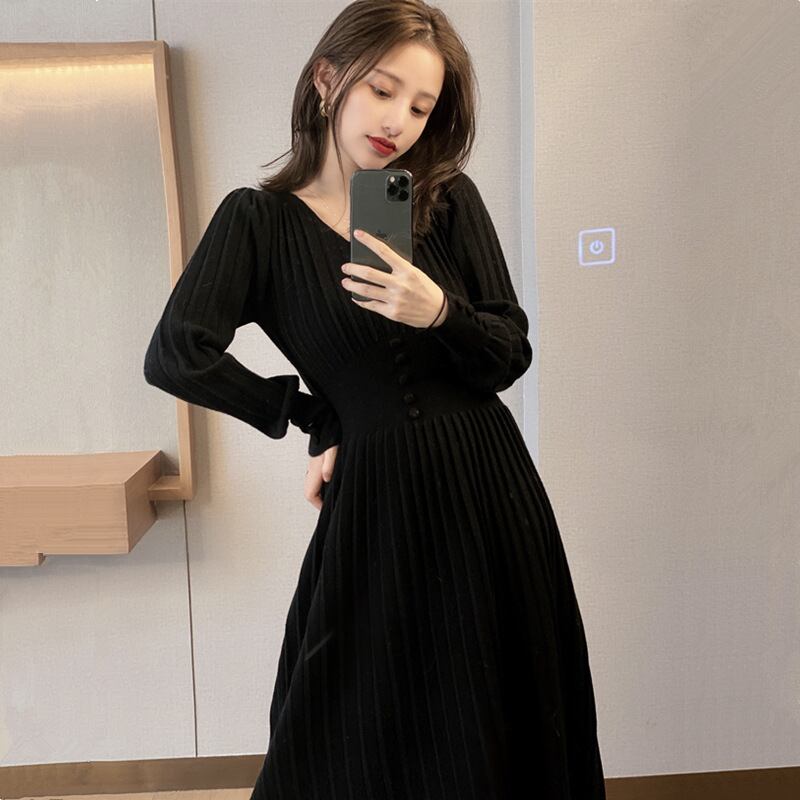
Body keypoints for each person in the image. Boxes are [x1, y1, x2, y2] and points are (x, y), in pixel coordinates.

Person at [143, 0, 606, 797]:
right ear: (328, 80)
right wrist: (312, 415)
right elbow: (176, 354)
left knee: (504, 699)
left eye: (421, 107)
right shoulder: (259, 222)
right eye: (383, 90)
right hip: (378, 500)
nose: (399, 121)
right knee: (349, 711)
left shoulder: (446, 202)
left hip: (488, 486)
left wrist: (440, 312)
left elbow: (509, 354)